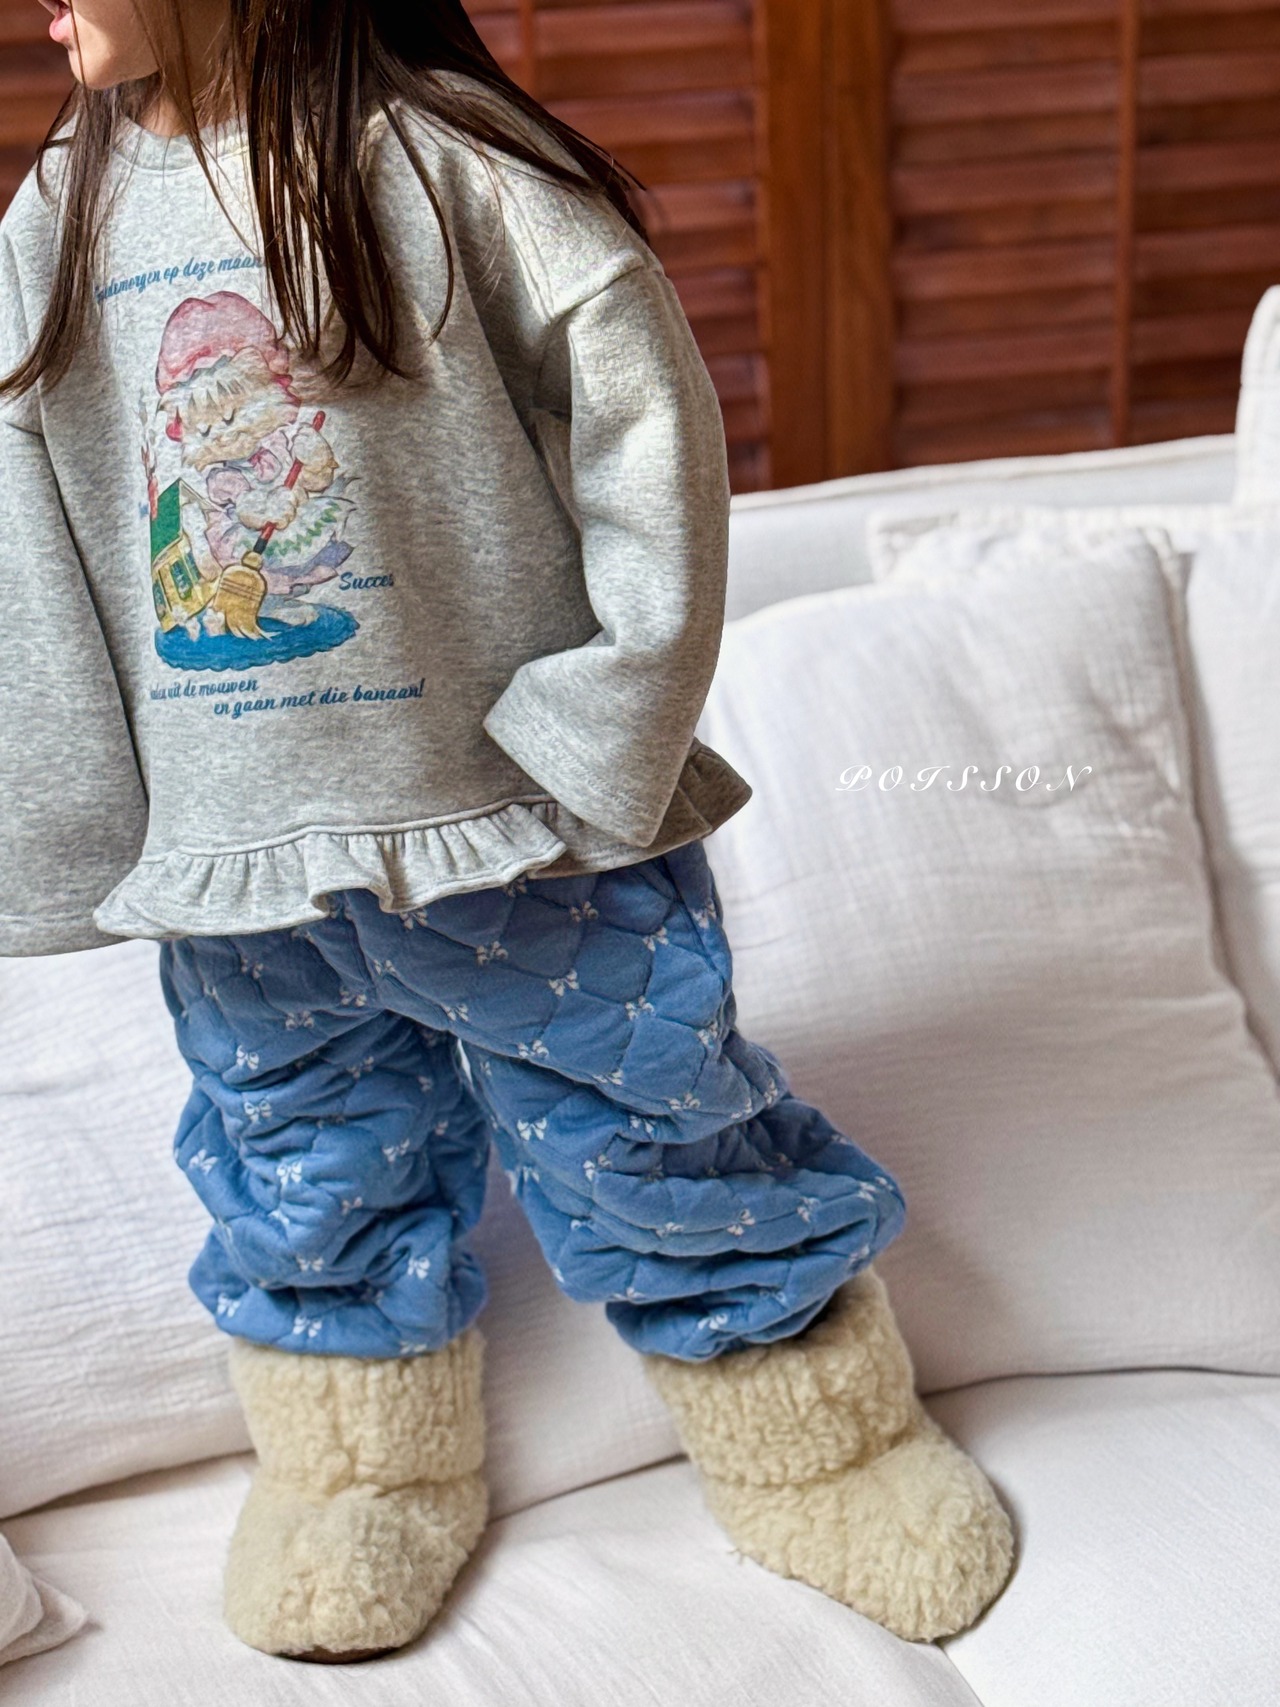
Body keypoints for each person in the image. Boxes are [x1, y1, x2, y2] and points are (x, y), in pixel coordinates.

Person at [1, 0, 1014, 1665]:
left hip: (517, 840)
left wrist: (599, 729)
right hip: (242, 872)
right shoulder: (67, 205)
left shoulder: (450, 162)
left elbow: (645, 423)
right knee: (303, 1174)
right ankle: (360, 1475)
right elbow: (21, 513)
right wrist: (74, 829)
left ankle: (820, 1446)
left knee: (661, 1131)